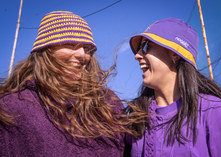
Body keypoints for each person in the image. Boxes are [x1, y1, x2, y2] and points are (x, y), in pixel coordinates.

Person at [0, 11, 142, 156]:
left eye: (87, 48)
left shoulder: (107, 104)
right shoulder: (12, 107)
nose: (82, 54)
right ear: (46, 50)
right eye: (70, 44)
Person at [126, 17, 221, 156]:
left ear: (174, 54)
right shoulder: (136, 119)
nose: (137, 56)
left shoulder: (212, 110)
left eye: (146, 46)